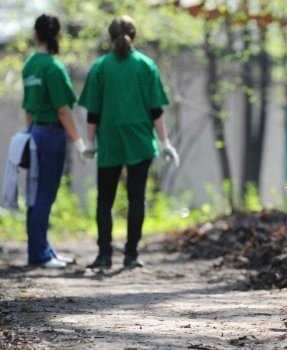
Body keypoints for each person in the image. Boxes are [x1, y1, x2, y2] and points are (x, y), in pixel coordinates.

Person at [78, 16, 179, 269]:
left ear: (109, 37)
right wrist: (165, 141)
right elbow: (156, 110)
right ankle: (131, 255)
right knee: (137, 199)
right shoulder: (146, 66)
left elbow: (93, 112)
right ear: (134, 35)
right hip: (140, 142)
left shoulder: (100, 67)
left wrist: (89, 143)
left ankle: (104, 256)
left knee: (105, 200)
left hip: (110, 142)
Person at [21, 14, 88, 268]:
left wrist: (28, 135)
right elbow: (63, 110)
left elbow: (28, 107)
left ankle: (40, 249)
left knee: (34, 194)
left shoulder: (29, 66)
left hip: (34, 132)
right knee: (44, 195)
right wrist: (79, 142)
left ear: (36, 34)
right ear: (57, 35)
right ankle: (40, 254)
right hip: (51, 136)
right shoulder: (53, 67)